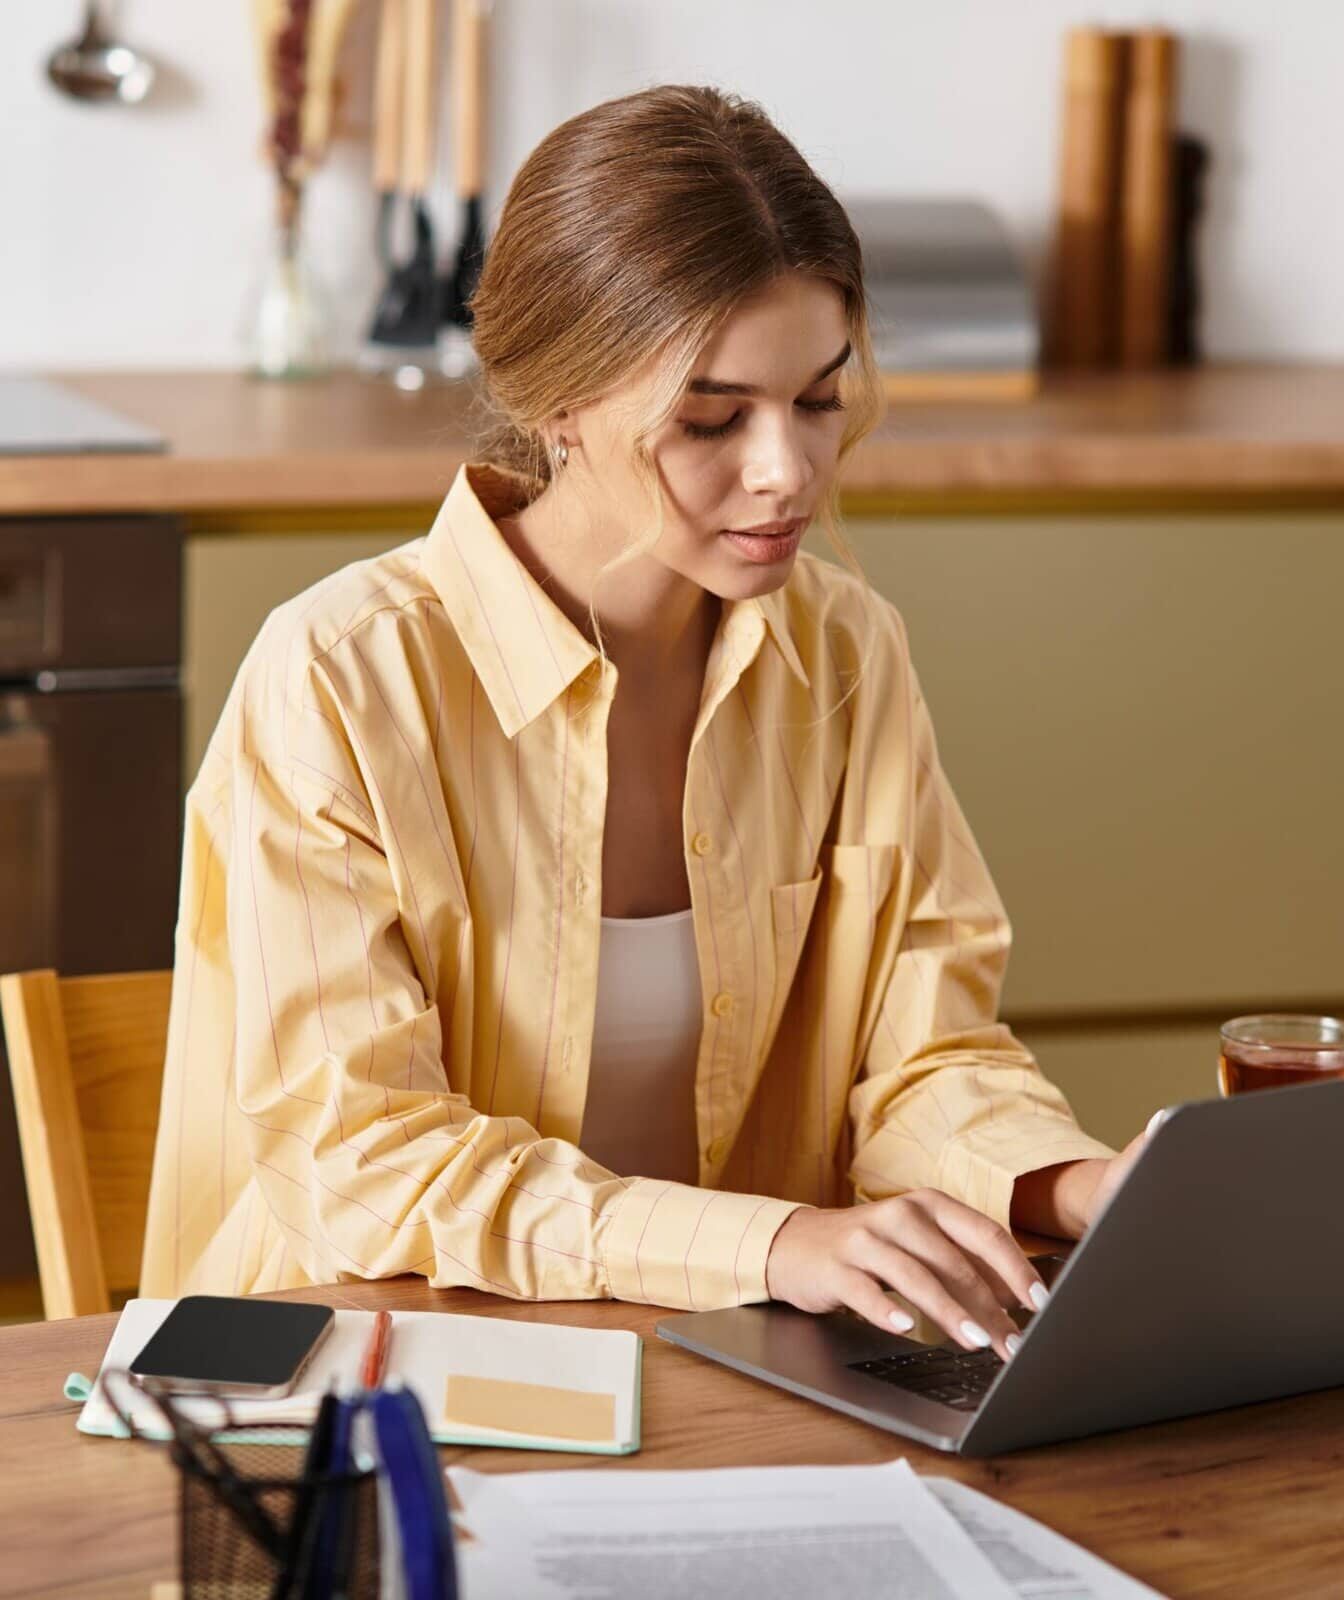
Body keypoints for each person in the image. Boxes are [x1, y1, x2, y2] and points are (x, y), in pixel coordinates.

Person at [143, 84, 1143, 1362]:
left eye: (820, 399)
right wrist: (771, 1243)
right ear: (558, 405)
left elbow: (920, 1051)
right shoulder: (340, 679)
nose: (785, 469)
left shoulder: (847, 655)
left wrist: (1071, 1184)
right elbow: (363, 1160)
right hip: (373, 1383)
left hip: (737, 1375)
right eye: (712, 419)